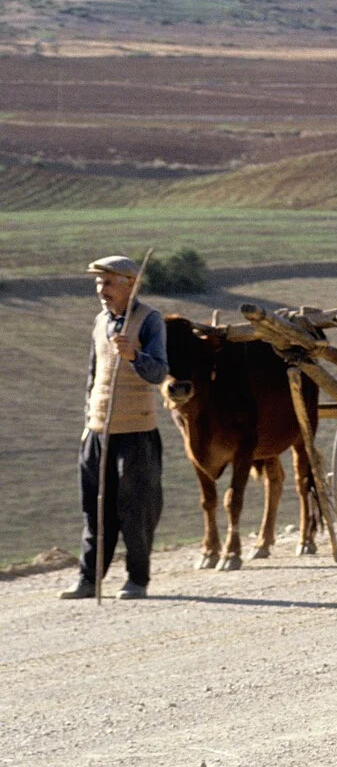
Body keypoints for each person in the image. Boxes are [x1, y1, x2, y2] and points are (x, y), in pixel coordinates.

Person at [59, 256, 167, 600]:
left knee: (135, 508)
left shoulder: (149, 321)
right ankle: (89, 579)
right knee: (93, 507)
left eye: (108, 282)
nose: (100, 290)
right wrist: (87, 422)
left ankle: (138, 580)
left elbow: (159, 373)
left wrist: (135, 356)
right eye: (98, 283)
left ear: (130, 283)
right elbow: (94, 376)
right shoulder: (100, 322)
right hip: (98, 430)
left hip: (135, 431)